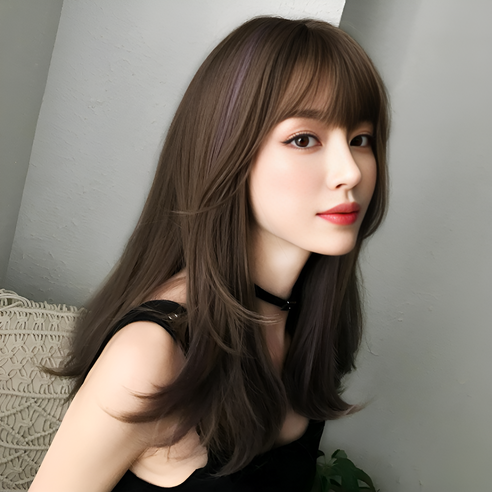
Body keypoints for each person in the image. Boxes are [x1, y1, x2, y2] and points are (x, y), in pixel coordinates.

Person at [29, 15, 389, 492]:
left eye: (361, 139)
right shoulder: (152, 353)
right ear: (226, 152)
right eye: (304, 139)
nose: (351, 171)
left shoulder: (307, 320)